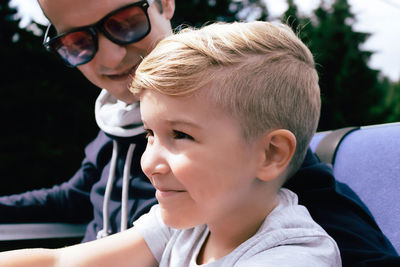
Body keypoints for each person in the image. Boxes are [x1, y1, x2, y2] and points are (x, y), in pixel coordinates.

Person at [0, 0, 398, 266]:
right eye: (76, 43)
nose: (110, 57)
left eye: (123, 24)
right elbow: (68, 225)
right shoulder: (188, 220)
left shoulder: (283, 228)